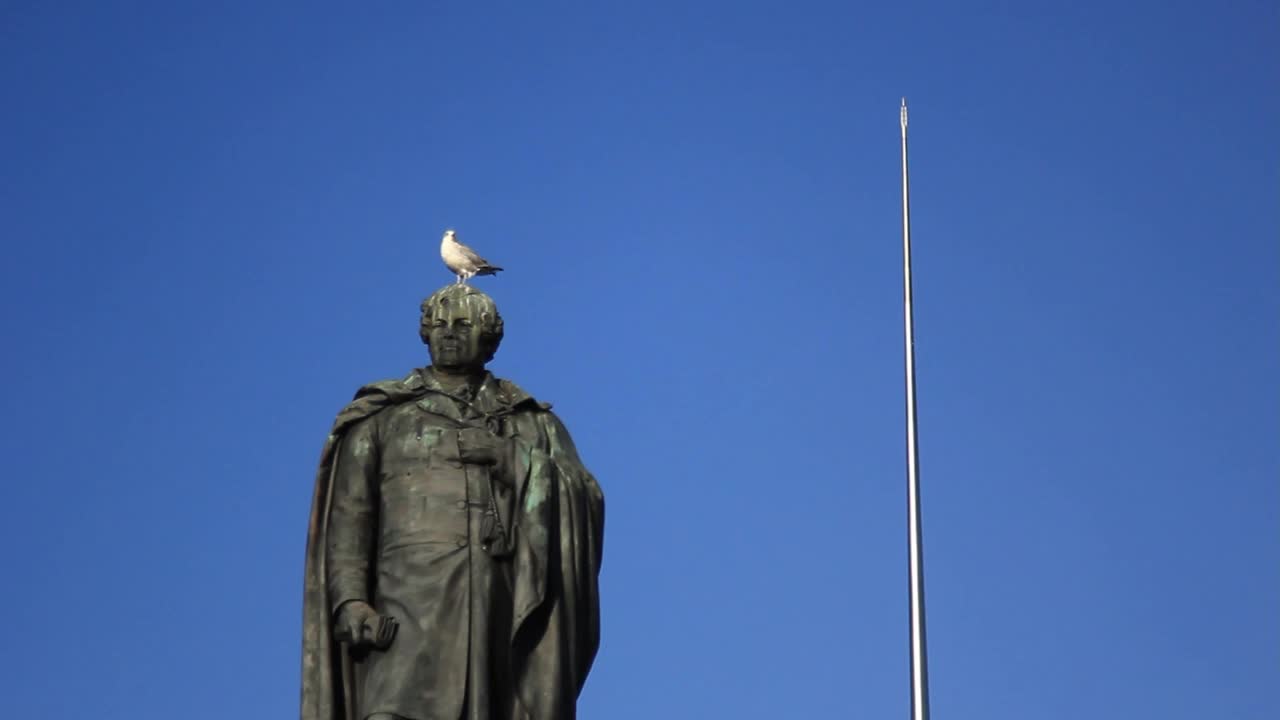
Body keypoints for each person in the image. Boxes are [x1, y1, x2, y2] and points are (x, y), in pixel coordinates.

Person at [300, 284, 605, 720]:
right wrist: (349, 600)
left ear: (490, 338)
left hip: (495, 613)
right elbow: (350, 517)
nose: (447, 334)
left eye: (463, 325)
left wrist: (510, 458)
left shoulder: (531, 422)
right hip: (405, 613)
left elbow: (584, 496)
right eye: (438, 325)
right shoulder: (382, 418)